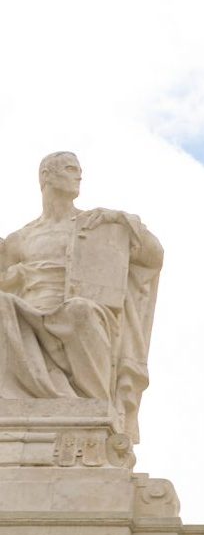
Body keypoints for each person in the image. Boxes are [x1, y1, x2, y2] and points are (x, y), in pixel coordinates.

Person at [0, 152, 164, 443]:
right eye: (69, 168)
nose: (78, 176)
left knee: (79, 311)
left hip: (80, 312)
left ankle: (96, 413)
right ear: (46, 176)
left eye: (78, 170)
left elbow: (153, 256)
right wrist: (15, 277)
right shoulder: (20, 238)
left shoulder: (96, 224)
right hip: (28, 313)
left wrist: (123, 221)